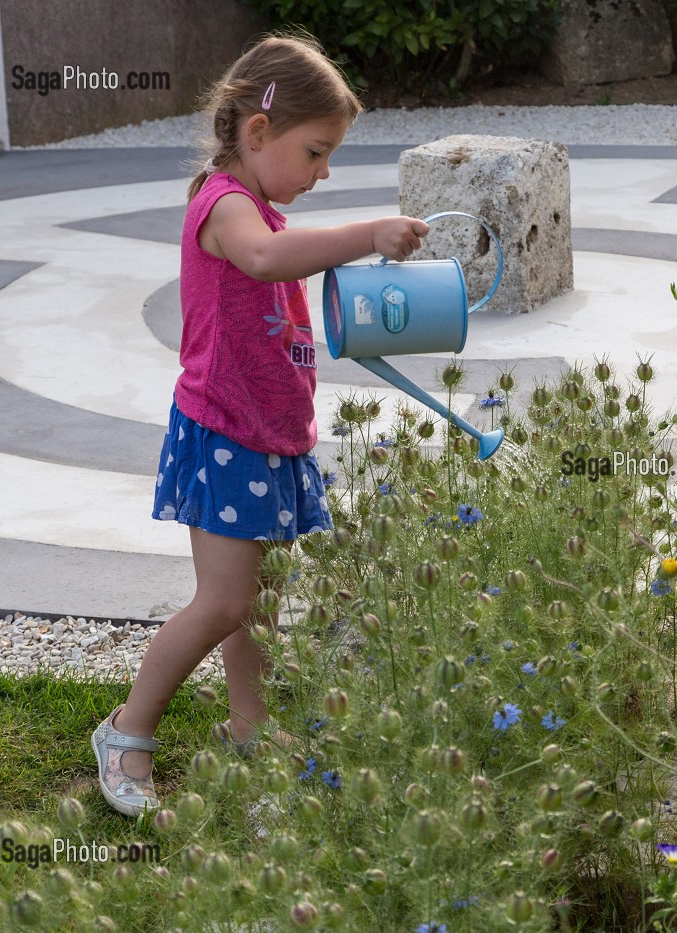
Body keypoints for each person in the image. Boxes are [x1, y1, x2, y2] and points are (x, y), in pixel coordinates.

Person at [92, 32, 430, 817]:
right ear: (257, 133)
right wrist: (366, 232)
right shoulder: (226, 206)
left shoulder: (264, 209)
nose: (323, 172)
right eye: (316, 152)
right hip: (224, 434)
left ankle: (252, 732)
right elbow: (266, 263)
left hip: (270, 434)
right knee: (222, 602)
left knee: (262, 601)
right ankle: (126, 731)